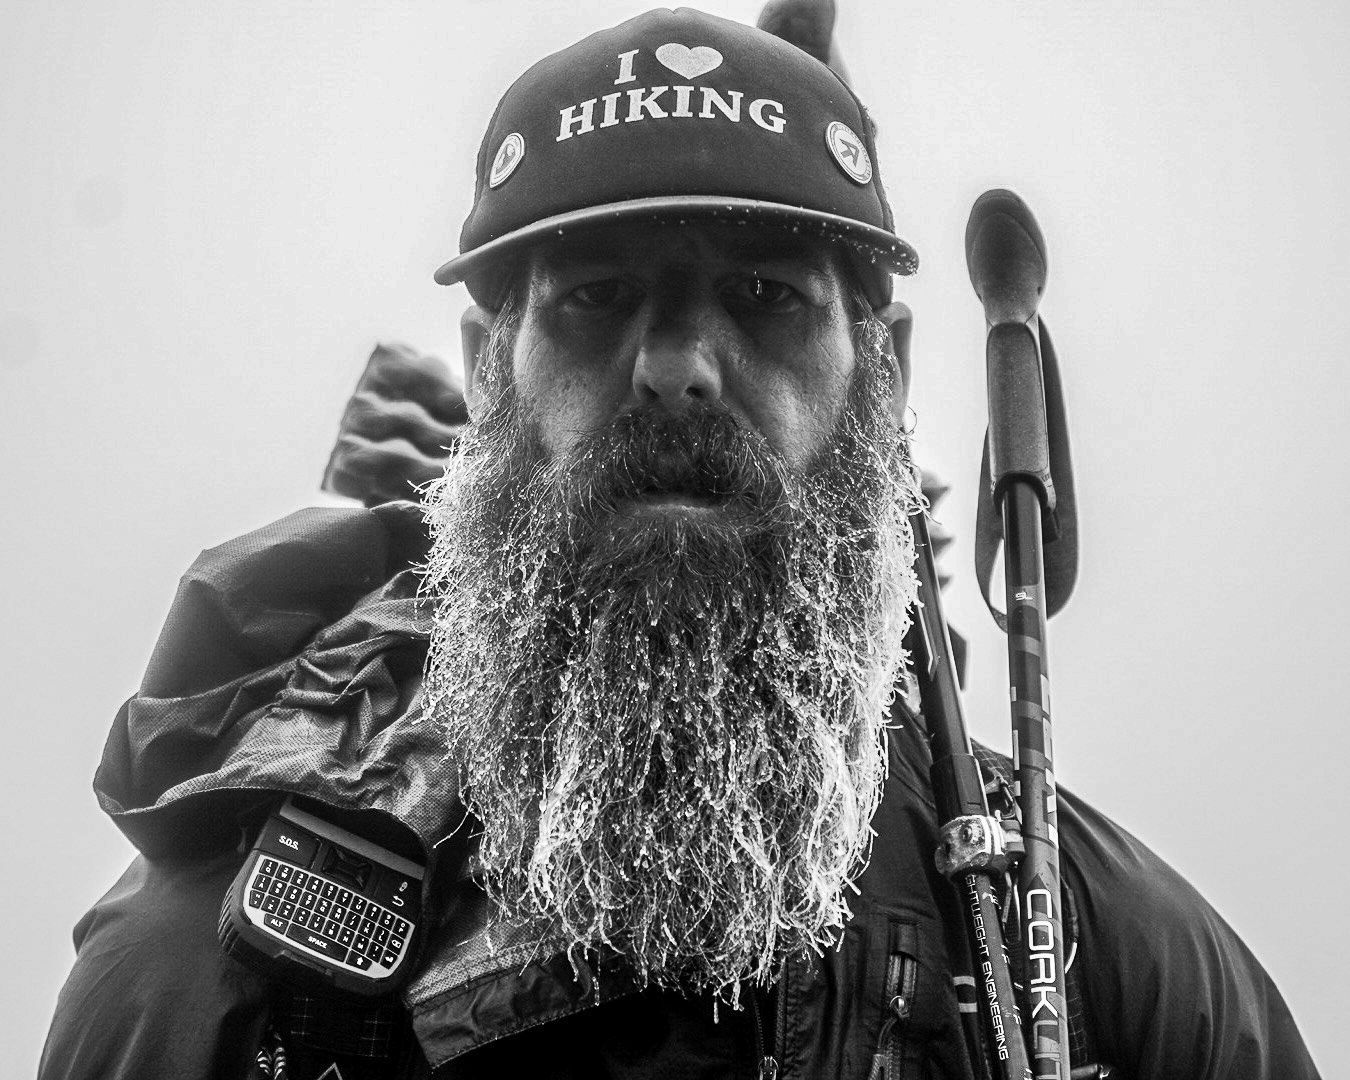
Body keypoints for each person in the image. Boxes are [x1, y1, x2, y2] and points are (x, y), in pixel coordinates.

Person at [39, 6, 1320, 1079]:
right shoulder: (216, 969)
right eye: (597, 296)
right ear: (485, 370)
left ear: (884, 377)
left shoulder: (1101, 961)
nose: (678, 367)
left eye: (765, 295)